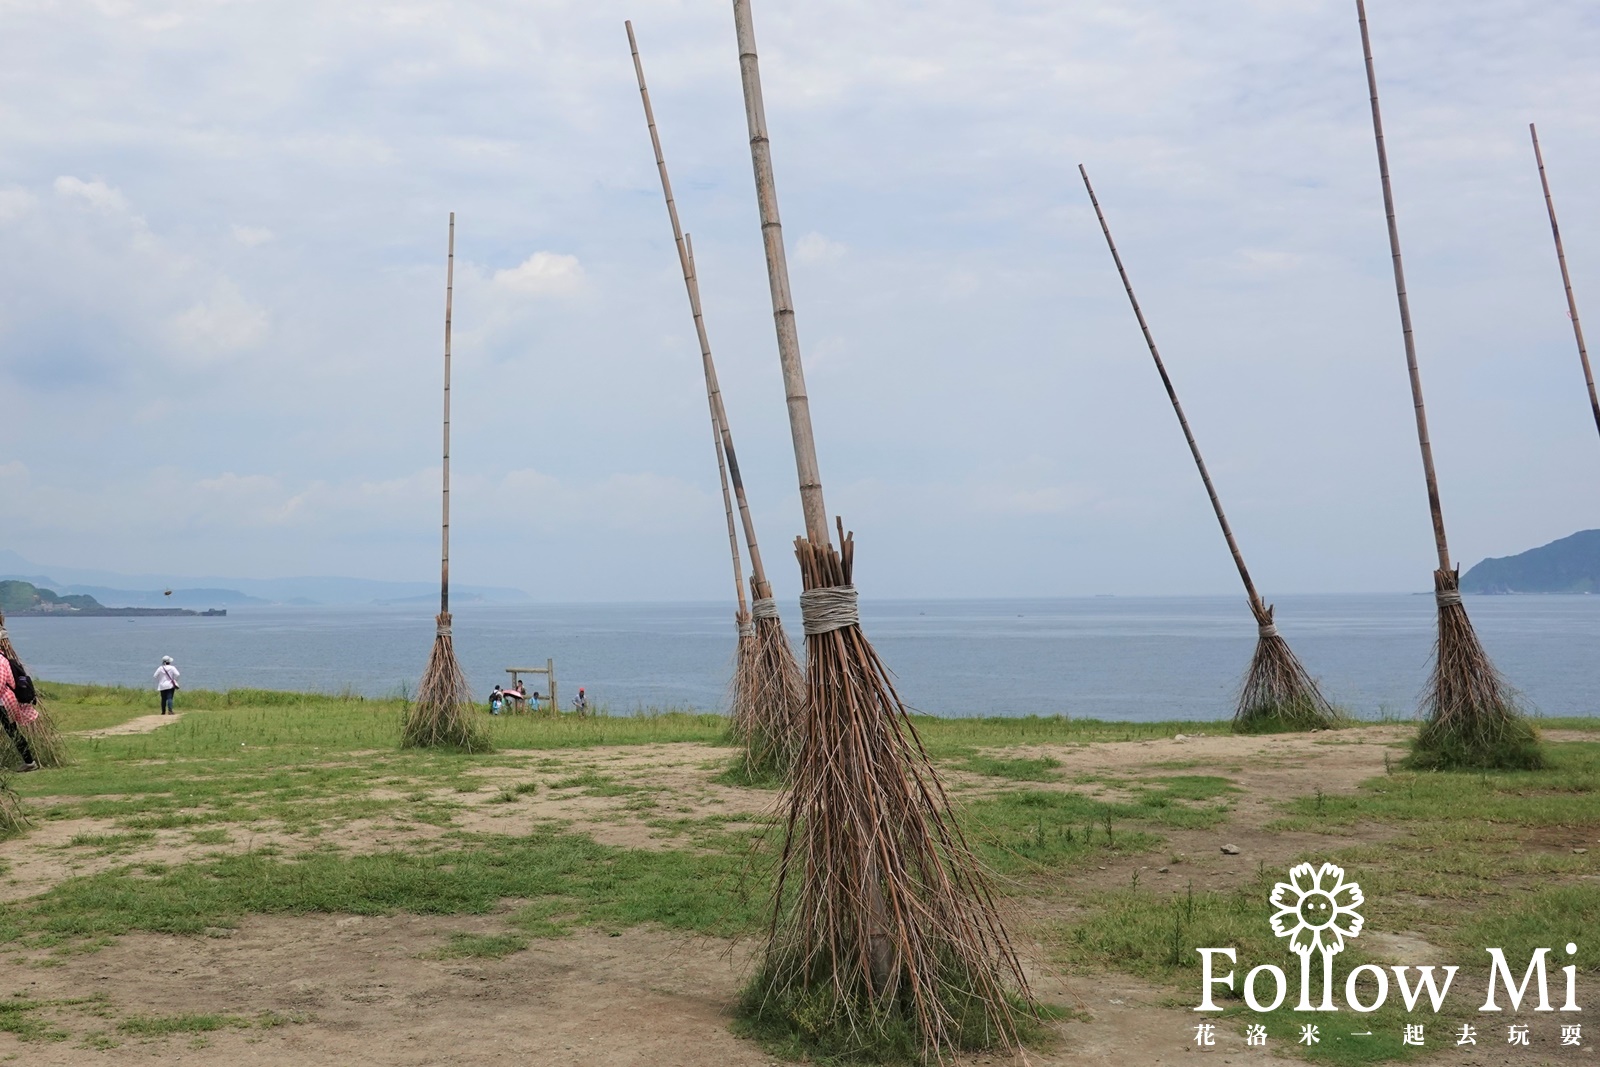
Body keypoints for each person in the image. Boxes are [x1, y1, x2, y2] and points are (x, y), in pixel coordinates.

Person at [0, 655, 38, 772]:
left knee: (12, 731)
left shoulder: (0, 661)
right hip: (5, 702)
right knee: (12, 731)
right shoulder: (3, 658)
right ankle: (29, 762)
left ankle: (29, 762)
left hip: (3, 702)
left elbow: (0, 684)